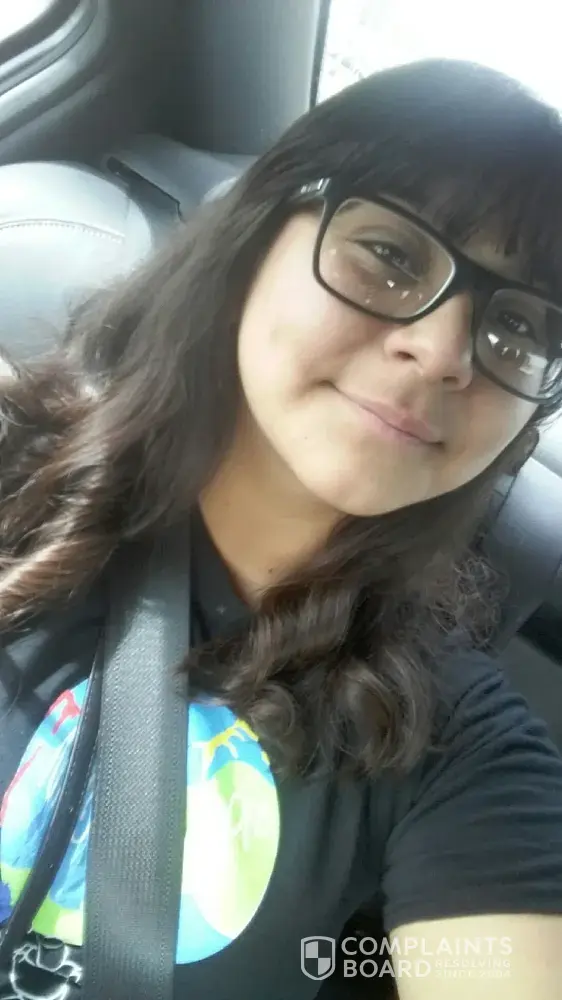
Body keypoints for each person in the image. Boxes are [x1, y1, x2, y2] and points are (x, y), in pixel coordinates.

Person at [1, 56, 562, 1000]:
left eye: (520, 329)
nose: (445, 352)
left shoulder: (450, 741)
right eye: (391, 255)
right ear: (255, 233)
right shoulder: (13, 459)